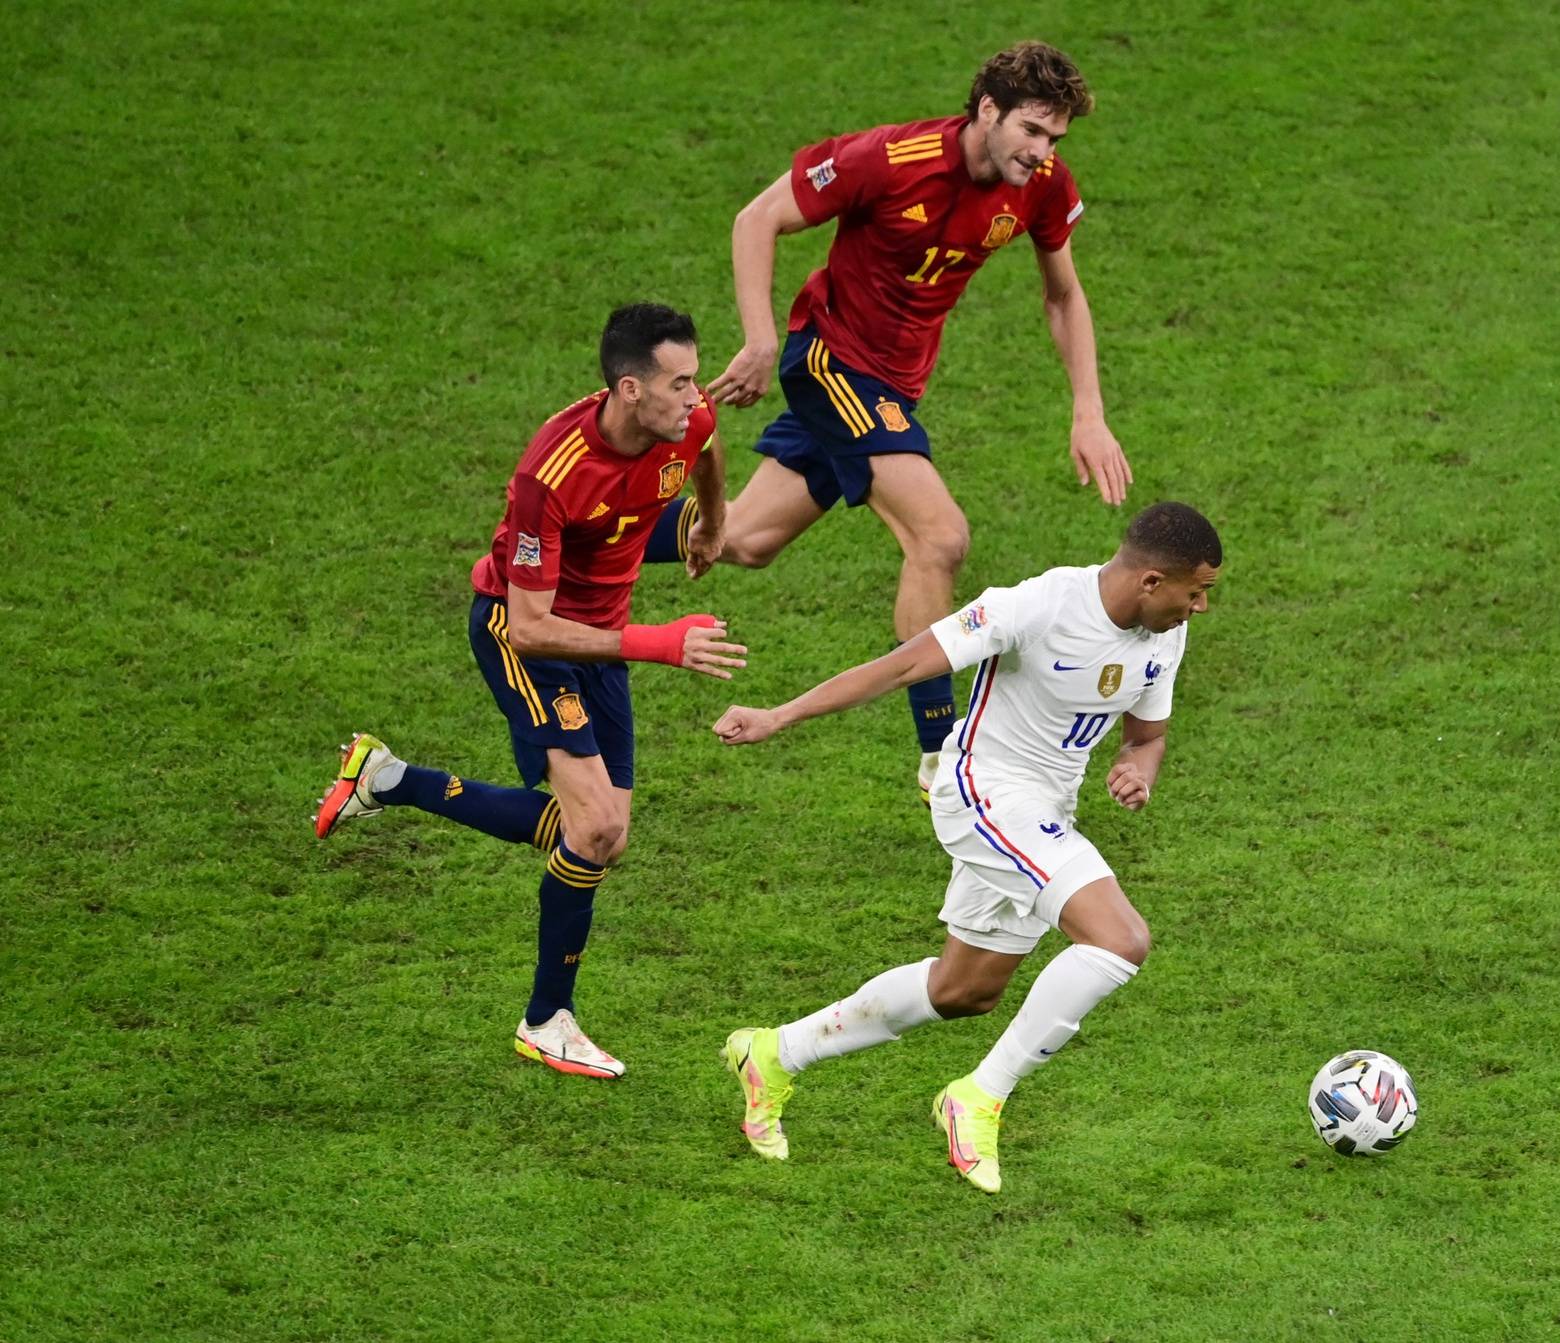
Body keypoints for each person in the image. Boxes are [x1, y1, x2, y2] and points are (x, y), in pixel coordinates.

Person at [645, 41, 1132, 801]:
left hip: (891, 392)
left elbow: (1063, 295)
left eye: (1055, 140)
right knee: (939, 536)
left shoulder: (1036, 189)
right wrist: (761, 335)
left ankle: (582, 534)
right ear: (988, 110)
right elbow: (758, 217)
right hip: (828, 364)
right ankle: (945, 754)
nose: (1042, 153)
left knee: (743, 539)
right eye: (1032, 132)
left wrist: (1088, 410)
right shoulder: (889, 158)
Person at [712, 502, 1221, 1194]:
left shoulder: (1164, 634)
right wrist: (778, 715)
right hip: (984, 792)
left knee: (964, 991)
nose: (1201, 606)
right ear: (1152, 580)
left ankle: (773, 1052)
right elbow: (901, 666)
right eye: (1196, 592)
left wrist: (1139, 769)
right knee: (1120, 938)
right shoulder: (1036, 606)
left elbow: (1146, 735)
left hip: (1046, 810)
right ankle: (979, 1096)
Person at [312, 302, 746, 1080]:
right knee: (597, 826)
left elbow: (708, 449)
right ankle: (546, 1019)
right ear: (627, 389)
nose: (695, 395)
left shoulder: (686, 419)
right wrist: (660, 644)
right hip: (529, 638)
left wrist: (712, 524)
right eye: (678, 383)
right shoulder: (550, 477)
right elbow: (532, 623)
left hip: (600, 640)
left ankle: (386, 779)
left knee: (600, 833)